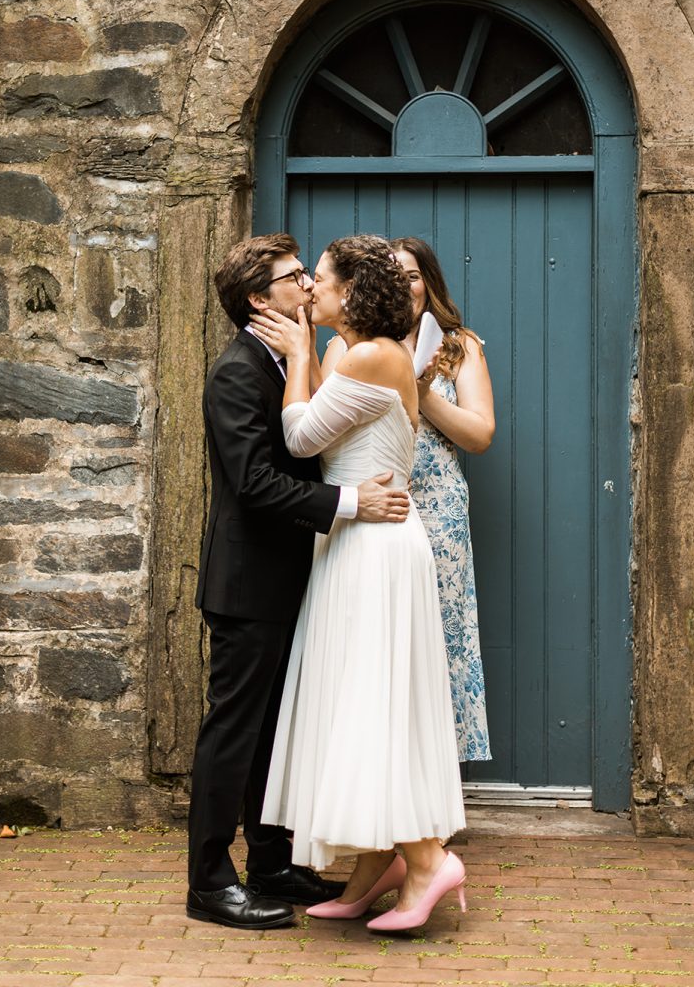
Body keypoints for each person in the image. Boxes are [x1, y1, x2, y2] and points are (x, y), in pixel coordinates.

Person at [187, 233, 411, 932]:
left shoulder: (289, 362)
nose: (308, 286)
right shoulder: (236, 372)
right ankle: (208, 882)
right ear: (261, 298)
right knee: (234, 731)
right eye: (294, 278)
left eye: (309, 276)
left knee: (272, 733)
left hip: (301, 578)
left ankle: (272, 862)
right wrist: (351, 504)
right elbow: (255, 483)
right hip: (250, 584)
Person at [252, 235, 466, 933]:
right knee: (361, 700)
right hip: (357, 540)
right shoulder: (369, 352)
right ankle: (377, 865)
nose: (309, 289)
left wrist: (300, 359)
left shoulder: (373, 354)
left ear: (349, 291)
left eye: (319, 278)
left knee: (370, 704)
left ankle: (430, 861)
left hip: (374, 550)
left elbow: (301, 438)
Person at [323, 237, 495, 764]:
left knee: (437, 638)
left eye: (414, 274)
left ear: (430, 283)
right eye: (395, 274)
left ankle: (434, 786)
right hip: (370, 500)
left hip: (437, 509)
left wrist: (418, 395)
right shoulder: (348, 344)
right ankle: (373, 774)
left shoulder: (458, 346)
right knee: (374, 640)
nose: (406, 284)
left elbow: (480, 434)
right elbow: (325, 427)